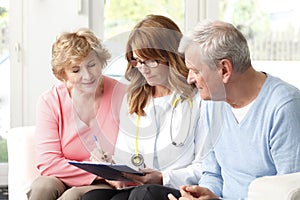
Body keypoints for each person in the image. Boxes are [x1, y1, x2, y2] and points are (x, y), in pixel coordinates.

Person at [127, 20, 300, 200]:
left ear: (224, 70)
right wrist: (200, 195)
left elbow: (289, 194)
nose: (189, 79)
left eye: (195, 71)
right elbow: (212, 172)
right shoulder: (213, 103)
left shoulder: (284, 107)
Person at [81, 14, 206, 200]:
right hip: (139, 188)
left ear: (170, 56)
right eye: (137, 61)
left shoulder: (198, 99)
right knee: (93, 198)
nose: (143, 69)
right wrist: (112, 167)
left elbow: (206, 165)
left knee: (144, 194)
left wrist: (163, 177)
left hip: (176, 187)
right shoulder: (136, 98)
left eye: (151, 61)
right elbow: (127, 157)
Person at [27, 28, 127, 200]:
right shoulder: (50, 101)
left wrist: (109, 173)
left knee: (72, 197)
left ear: (101, 62)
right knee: (42, 187)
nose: (87, 75)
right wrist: (97, 173)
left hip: (108, 182)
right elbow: (48, 162)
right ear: (62, 74)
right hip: (70, 176)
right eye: (75, 70)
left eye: (92, 65)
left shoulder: (122, 94)